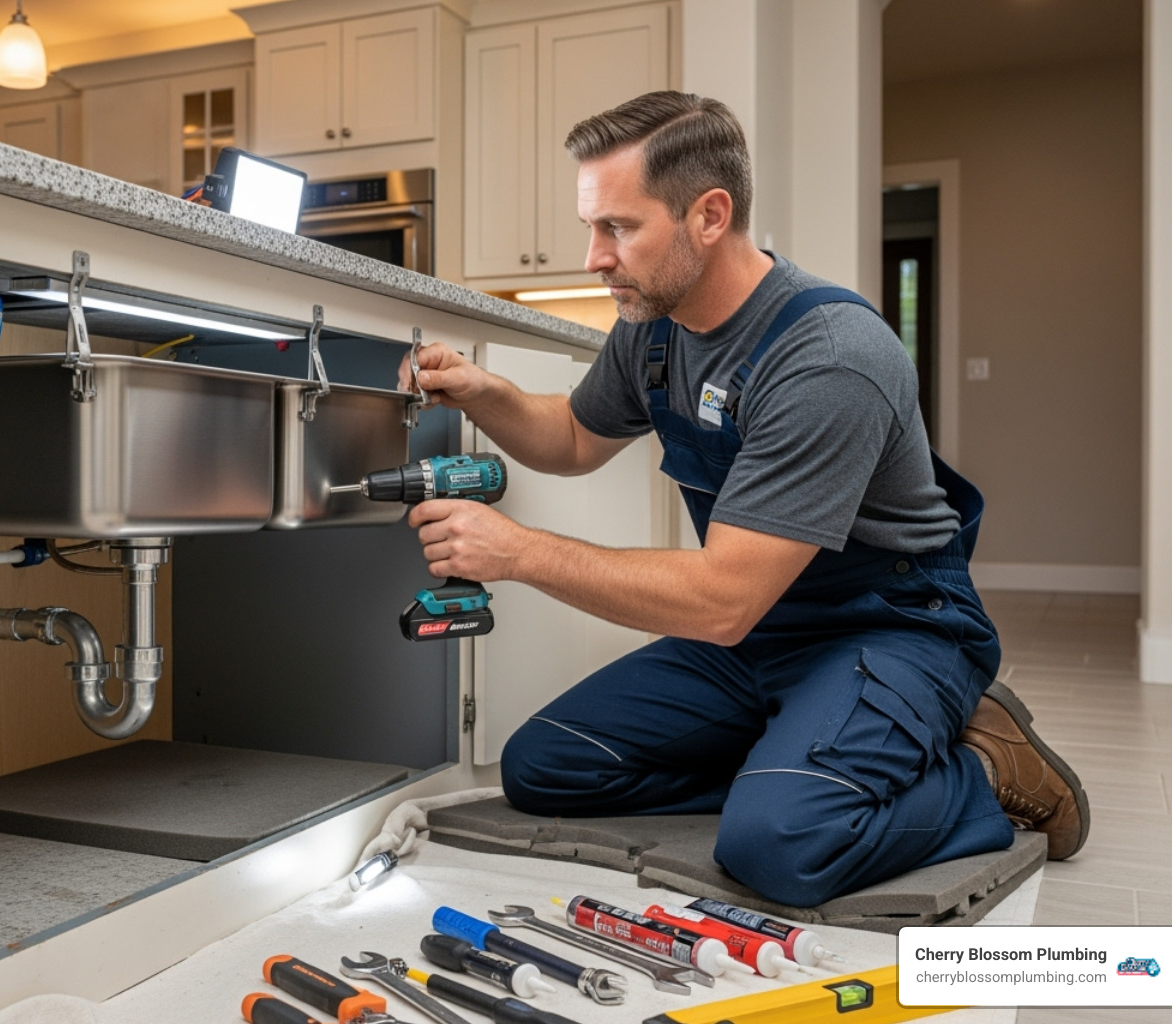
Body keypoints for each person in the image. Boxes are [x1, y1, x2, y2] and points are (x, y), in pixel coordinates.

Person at [402, 92, 1089, 908]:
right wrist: (484, 391)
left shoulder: (828, 357)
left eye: (617, 227)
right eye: (593, 227)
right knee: (546, 765)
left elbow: (723, 598)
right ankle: (802, 761)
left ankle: (981, 768)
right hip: (763, 631)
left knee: (781, 843)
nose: (594, 257)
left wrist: (518, 552)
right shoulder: (652, 328)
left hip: (893, 628)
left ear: (709, 215)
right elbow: (575, 439)